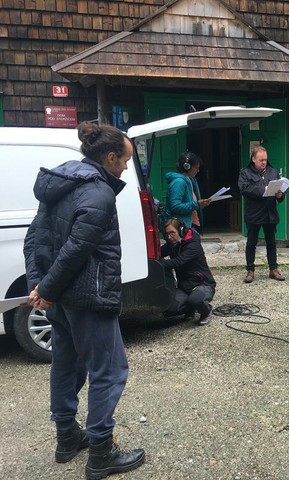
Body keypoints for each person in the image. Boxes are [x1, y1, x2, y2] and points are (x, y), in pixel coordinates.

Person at [23, 121, 145, 479]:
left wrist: (42, 286)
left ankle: (67, 438)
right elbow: (77, 249)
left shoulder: (61, 182)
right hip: (89, 297)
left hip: (61, 299)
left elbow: (35, 239)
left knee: (67, 364)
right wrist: (45, 289)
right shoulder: (98, 193)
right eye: (125, 160)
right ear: (110, 157)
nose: (126, 168)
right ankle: (102, 453)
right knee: (110, 371)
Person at [238, 145, 285, 283]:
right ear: (253, 159)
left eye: (265, 159)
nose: (264, 162)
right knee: (251, 243)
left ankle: (273, 269)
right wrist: (264, 189)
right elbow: (244, 189)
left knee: (271, 243)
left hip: (270, 213)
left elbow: (280, 192)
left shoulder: (273, 171)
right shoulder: (245, 173)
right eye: (261, 160)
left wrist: (280, 195)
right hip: (254, 213)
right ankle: (250, 271)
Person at [160, 217, 216, 326]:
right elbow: (159, 253)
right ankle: (191, 308)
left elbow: (178, 261)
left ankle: (206, 310)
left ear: (181, 231)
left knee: (196, 300)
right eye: (167, 234)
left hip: (202, 283)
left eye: (172, 233)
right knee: (168, 310)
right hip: (184, 286)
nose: (169, 237)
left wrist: (160, 264)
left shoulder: (193, 244)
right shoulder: (172, 244)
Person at [162, 151, 211, 231]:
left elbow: (189, 202)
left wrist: (201, 204)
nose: (198, 170)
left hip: (187, 225)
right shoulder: (179, 182)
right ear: (187, 167)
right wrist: (197, 204)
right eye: (196, 167)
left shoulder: (189, 180)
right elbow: (175, 207)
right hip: (179, 227)